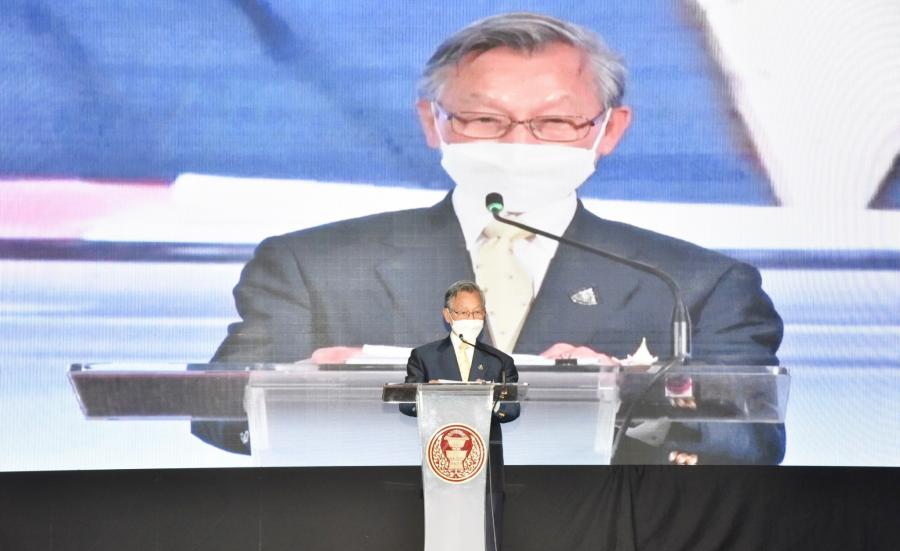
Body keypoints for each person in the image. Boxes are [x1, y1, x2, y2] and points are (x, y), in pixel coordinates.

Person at [197, 12, 785, 465]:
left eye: (554, 122)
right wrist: (310, 389)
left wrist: (628, 400)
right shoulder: (312, 264)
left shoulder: (696, 284)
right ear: (432, 122)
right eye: (485, 120)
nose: (518, 144)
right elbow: (217, 410)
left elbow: (750, 440)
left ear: (610, 131)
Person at [403, 280, 517, 551]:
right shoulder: (424, 356)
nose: (472, 318)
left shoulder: (499, 361)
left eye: (477, 312)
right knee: (445, 535)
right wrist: (432, 396)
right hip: (441, 467)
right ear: (448, 315)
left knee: (485, 538)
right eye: (464, 312)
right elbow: (406, 403)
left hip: (485, 464)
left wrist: (486, 399)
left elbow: (511, 409)